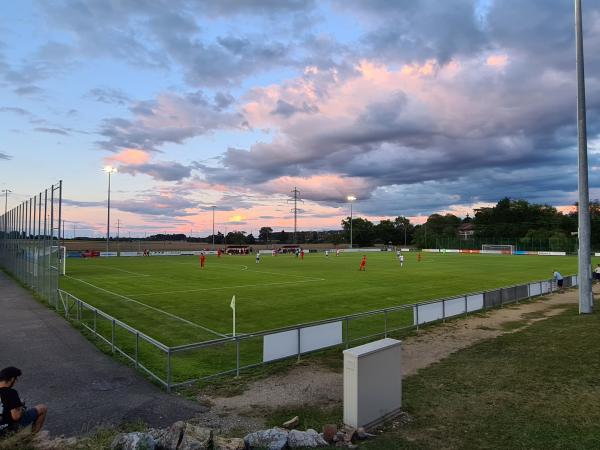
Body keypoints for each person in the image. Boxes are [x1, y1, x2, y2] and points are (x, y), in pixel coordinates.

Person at [0, 367, 47, 434]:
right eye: (16, 379)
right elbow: (16, 417)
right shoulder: (11, 392)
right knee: (42, 408)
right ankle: (31, 438)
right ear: (12, 379)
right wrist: (20, 407)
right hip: (6, 431)